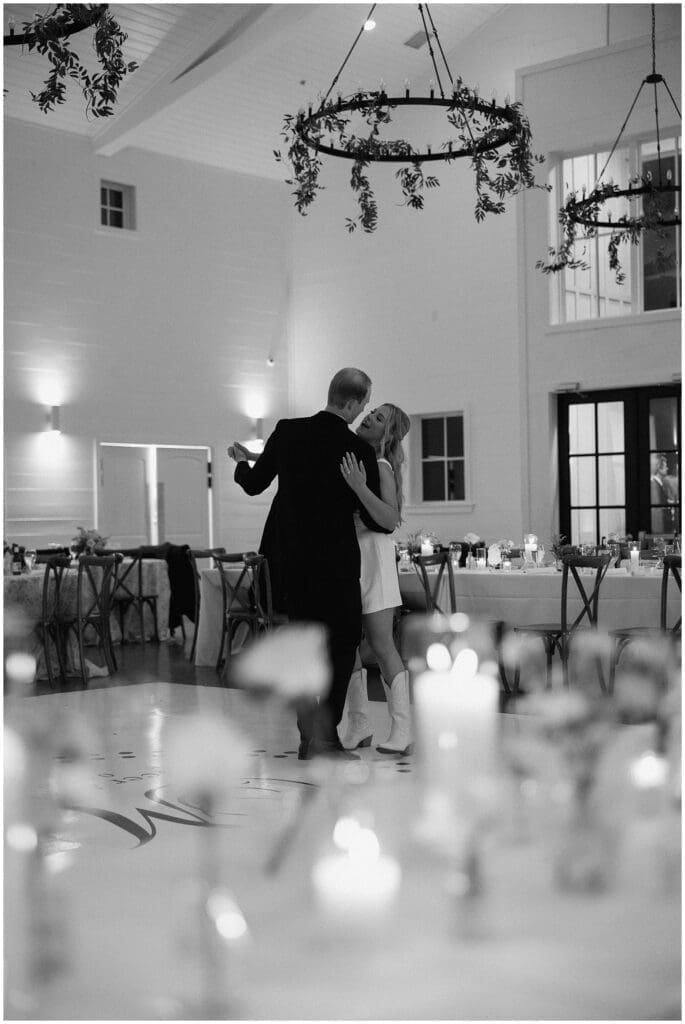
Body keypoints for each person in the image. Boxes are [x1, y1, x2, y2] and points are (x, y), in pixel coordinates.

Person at [228, 368, 390, 760]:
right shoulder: (358, 450)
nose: (363, 410)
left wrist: (240, 463)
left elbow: (253, 484)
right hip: (337, 566)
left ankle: (307, 735)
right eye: (364, 403)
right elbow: (374, 521)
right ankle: (325, 737)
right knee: (341, 646)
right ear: (351, 402)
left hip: (294, 565)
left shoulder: (287, 432)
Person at [338, 403, 412, 756]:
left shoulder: (380, 465)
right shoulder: (354, 455)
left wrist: (357, 486)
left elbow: (391, 516)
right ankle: (358, 724)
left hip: (375, 557)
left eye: (379, 419)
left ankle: (402, 728)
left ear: (388, 435)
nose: (369, 417)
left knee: (382, 644)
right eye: (372, 413)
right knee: (347, 642)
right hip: (348, 555)